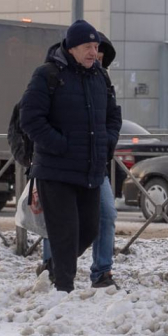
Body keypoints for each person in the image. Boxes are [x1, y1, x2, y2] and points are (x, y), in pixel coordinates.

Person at [20, 20, 122, 293]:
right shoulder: (48, 74)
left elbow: (113, 116)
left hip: (89, 168)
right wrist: (60, 145)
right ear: (72, 48)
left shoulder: (99, 76)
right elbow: (29, 118)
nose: (93, 52)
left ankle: (54, 268)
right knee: (65, 232)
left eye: (96, 46)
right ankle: (63, 289)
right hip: (56, 170)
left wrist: (107, 141)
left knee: (89, 228)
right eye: (88, 47)